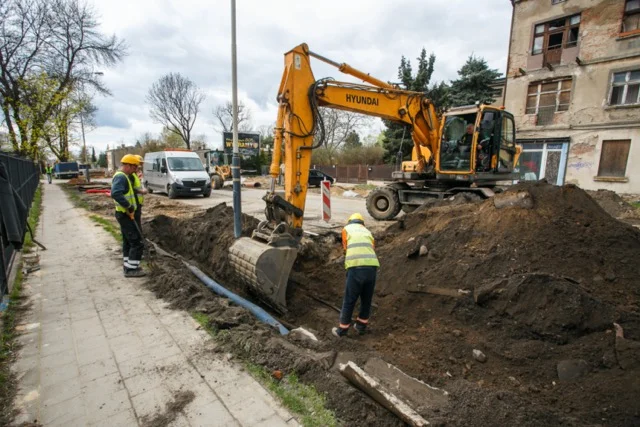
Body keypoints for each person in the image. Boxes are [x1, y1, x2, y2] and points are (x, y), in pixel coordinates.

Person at [332, 213, 380, 337]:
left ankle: (342, 330)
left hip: (356, 267)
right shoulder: (367, 231)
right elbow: (372, 248)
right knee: (366, 300)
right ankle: (361, 327)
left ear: (350, 222)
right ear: (362, 223)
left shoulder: (346, 230)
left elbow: (345, 248)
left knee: (349, 299)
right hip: (372, 268)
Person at [111, 154, 146, 278]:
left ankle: (128, 265)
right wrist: (128, 206)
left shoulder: (124, 176)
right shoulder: (121, 177)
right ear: (127, 165)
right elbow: (115, 193)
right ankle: (131, 270)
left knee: (127, 241)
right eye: (134, 167)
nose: (136, 170)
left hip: (124, 214)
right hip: (125, 215)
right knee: (136, 241)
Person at [132, 155, 148, 231]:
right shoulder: (131, 175)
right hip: (134, 203)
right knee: (135, 221)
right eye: (139, 164)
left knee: (138, 220)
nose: (141, 166)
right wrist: (141, 191)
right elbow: (131, 188)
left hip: (138, 202)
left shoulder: (136, 174)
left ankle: (139, 235)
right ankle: (138, 237)